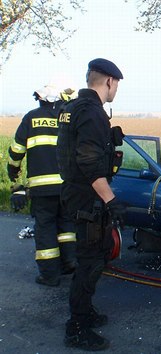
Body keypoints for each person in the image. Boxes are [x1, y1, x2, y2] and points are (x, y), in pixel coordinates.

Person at [57, 58, 126, 351]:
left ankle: (85, 313)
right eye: (117, 84)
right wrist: (112, 200)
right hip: (88, 199)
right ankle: (77, 328)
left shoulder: (71, 108)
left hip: (74, 193)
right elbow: (88, 163)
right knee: (90, 262)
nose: (116, 90)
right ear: (109, 81)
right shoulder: (93, 113)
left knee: (92, 258)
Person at [6, 85, 77, 287]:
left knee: (45, 229)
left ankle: (49, 275)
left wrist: (13, 172)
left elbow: (16, 150)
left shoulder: (31, 118)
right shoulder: (66, 119)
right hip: (66, 186)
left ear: (41, 99)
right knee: (66, 226)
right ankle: (69, 262)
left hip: (42, 188)